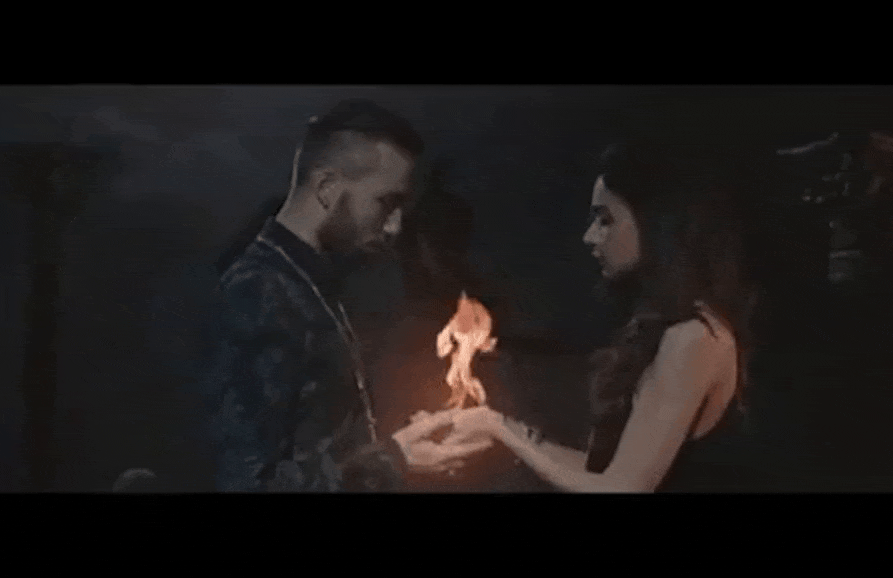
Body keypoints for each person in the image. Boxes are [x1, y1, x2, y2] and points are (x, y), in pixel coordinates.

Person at [201, 99, 491, 492]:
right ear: (326, 189)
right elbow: (246, 485)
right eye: (386, 202)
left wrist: (401, 449)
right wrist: (395, 460)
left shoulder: (305, 281)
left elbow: (316, 447)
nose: (394, 227)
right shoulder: (257, 292)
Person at [441, 142, 761, 492]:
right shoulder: (669, 329)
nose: (589, 236)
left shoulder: (694, 338)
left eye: (606, 220)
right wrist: (500, 428)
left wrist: (499, 429)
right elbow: (602, 471)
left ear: (657, 225)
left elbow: (623, 487)